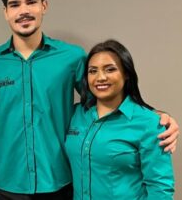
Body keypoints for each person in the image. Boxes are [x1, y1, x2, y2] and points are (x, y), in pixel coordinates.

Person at [0, 0, 179, 199]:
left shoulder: (72, 57)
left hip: (60, 184)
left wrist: (156, 116)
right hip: (7, 186)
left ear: (44, 6)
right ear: (5, 12)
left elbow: (105, 100)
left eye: (31, 2)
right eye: (15, 4)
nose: (24, 11)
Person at [65, 39, 175, 199]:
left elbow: (160, 189)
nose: (100, 77)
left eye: (110, 69)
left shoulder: (149, 123)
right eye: (92, 71)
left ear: (126, 74)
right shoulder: (76, 115)